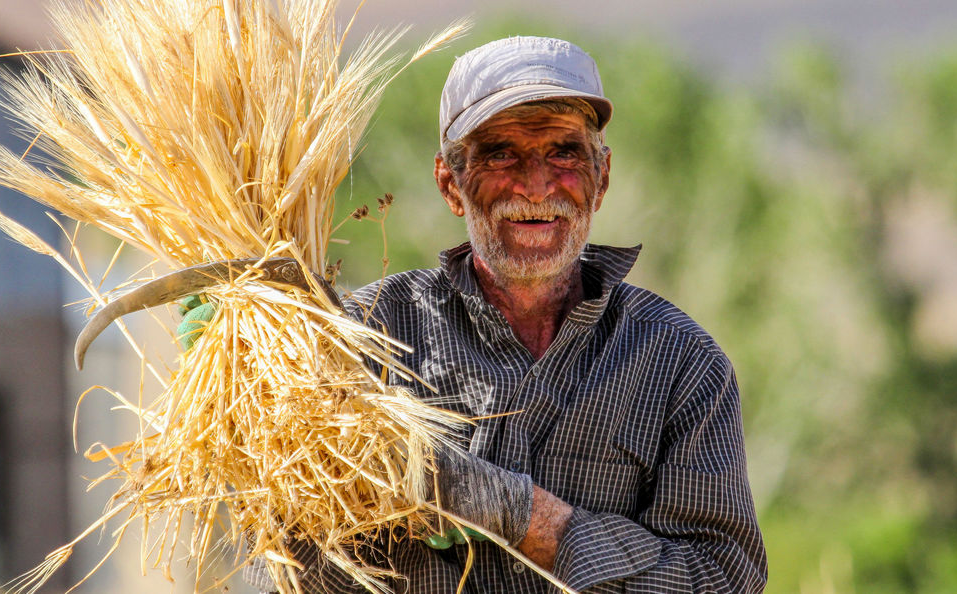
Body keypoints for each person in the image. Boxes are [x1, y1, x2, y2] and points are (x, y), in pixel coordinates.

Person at [247, 35, 767, 593]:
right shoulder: (361, 339)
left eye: (564, 152)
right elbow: (293, 565)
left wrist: (526, 517)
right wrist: (247, 389)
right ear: (451, 184)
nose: (537, 185)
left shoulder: (678, 363)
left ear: (602, 178)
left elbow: (723, 579)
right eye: (501, 154)